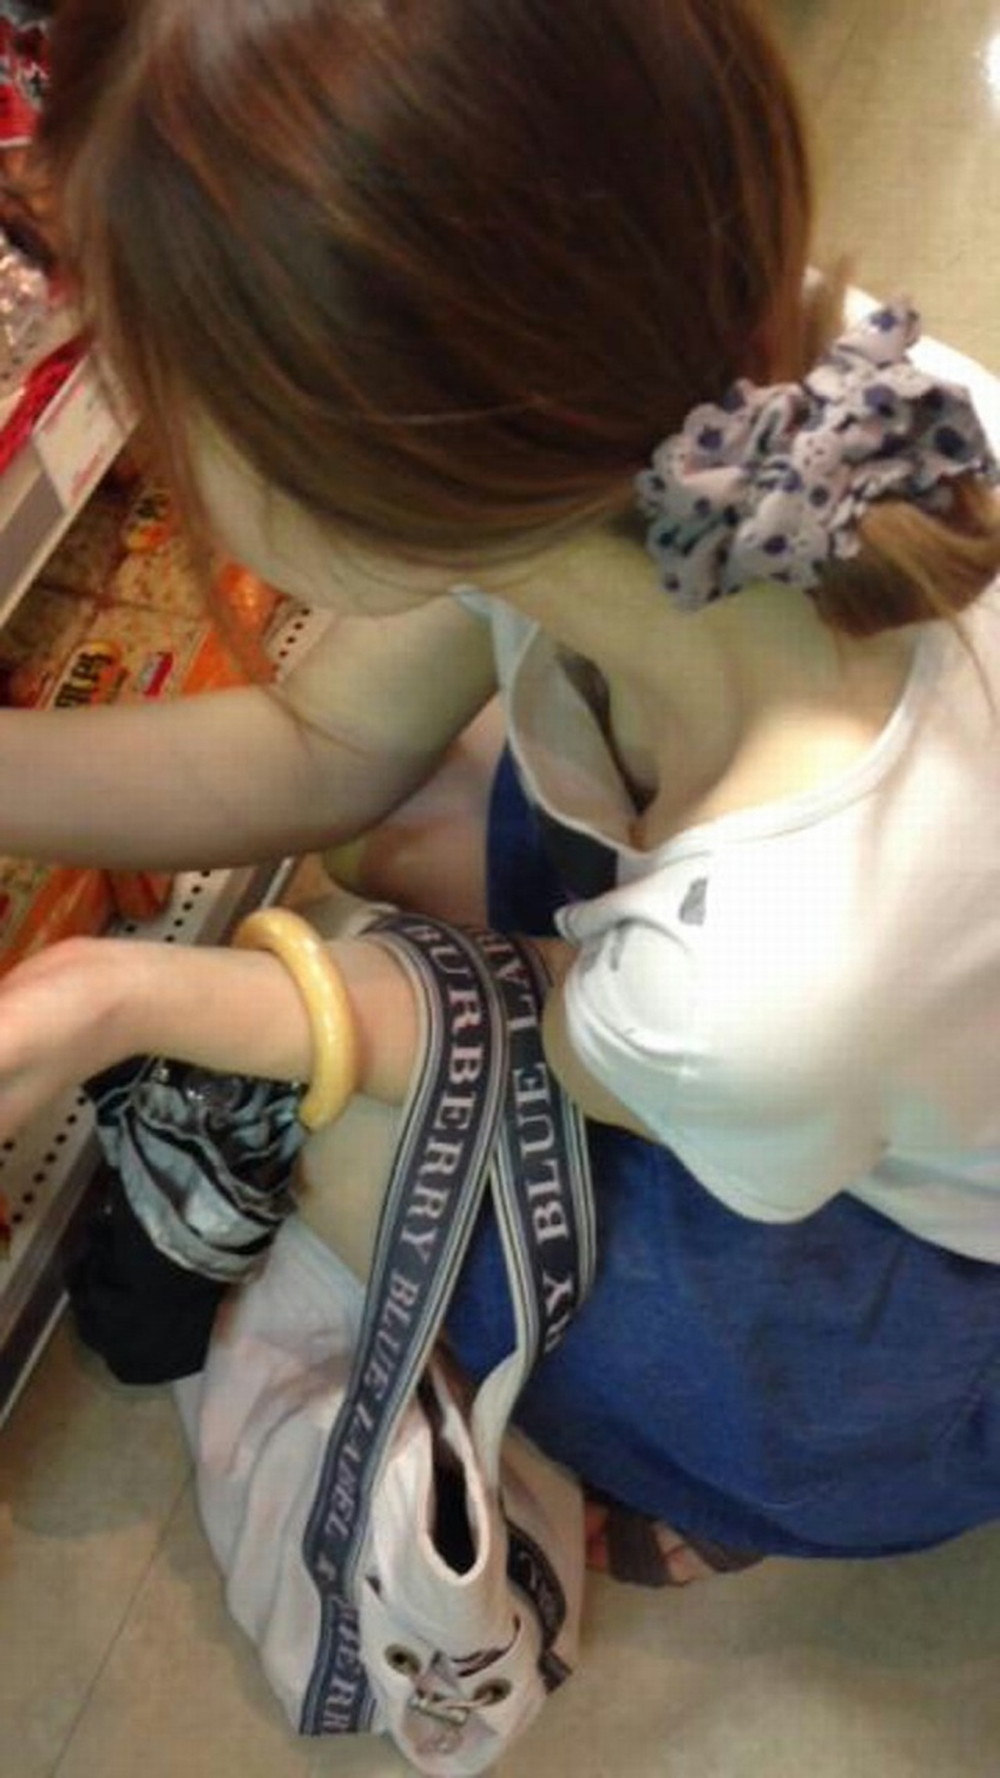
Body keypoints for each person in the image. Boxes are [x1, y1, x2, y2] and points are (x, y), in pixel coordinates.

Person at [3, 0, 1000, 1585]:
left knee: (368, 1166)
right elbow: (324, 748)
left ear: (352, 477)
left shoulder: (755, 979)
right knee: (396, 836)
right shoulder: (740, 414)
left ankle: (777, 1470)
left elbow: (555, 1035)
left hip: (934, 1268)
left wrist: (125, 995)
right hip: (852, 1025)